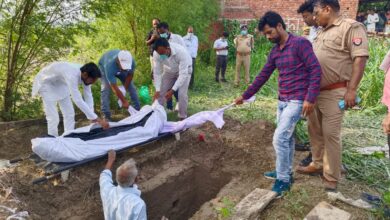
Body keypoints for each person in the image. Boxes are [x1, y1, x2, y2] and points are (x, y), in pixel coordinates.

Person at [235, 11, 321, 197]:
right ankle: (286, 171)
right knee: (287, 139)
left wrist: (310, 98)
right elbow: (263, 76)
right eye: (265, 34)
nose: (268, 37)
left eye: (269, 32)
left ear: (280, 26)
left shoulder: (300, 44)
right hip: (282, 101)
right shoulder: (275, 51)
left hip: (297, 100)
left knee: (279, 138)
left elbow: (315, 69)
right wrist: (245, 95)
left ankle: (283, 180)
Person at [296, 0, 369, 191]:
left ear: (327, 9)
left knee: (330, 134)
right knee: (314, 131)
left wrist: (351, 90)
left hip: (335, 92)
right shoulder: (322, 31)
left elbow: (359, 59)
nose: (314, 16)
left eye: (317, 12)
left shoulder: (351, 27)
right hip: (315, 92)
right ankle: (317, 163)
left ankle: (331, 175)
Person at [32, 62, 109, 137]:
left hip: (61, 83)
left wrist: (93, 118)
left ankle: (68, 136)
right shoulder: (72, 74)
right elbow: (77, 99)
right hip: (46, 82)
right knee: (53, 117)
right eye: (92, 80)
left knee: (69, 113)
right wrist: (97, 119)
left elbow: (88, 96)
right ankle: (52, 140)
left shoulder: (86, 74)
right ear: (85, 74)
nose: (93, 83)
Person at [100, 150, 146, 220]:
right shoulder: (138, 204)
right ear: (136, 180)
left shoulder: (107, 191)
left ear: (117, 178)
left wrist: (111, 160)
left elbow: (104, 175)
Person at [153, 38, 192, 120]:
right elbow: (157, 72)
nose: (161, 55)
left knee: (181, 94)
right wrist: (157, 89)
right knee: (160, 91)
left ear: (168, 48)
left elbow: (183, 75)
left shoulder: (181, 52)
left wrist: (172, 90)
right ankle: (156, 114)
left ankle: (182, 117)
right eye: (159, 53)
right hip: (169, 71)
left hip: (185, 70)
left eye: (162, 53)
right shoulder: (157, 54)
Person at [99, 50, 141, 121]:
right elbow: (114, 87)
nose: (125, 69)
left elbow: (130, 76)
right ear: (118, 61)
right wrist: (124, 101)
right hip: (103, 66)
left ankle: (137, 111)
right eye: (123, 66)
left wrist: (124, 90)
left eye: (126, 67)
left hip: (118, 68)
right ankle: (106, 116)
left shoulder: (131, 62)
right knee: (106, 89)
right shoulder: (109, 66)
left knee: (132, 88)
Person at [156, 22, 182, 111]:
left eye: (163, 32)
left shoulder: (177, 38)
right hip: (167, 68)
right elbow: (158, 56)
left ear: (168, 29)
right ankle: (169, 107)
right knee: (166, 88)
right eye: (159, 33)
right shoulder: (159, 40)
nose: (161, 34)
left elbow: (184, 52)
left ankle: (179, 102)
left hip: (178, 67)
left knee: (177, 87)